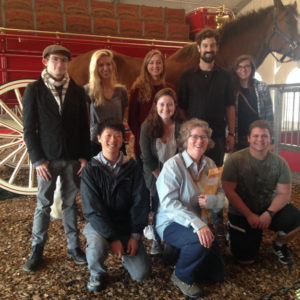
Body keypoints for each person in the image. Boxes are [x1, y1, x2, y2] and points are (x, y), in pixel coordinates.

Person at [22, 45, 90, 272]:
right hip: (47, 160)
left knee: (70, 204)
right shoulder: (34, 90)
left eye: (64, 61)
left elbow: (83, 126)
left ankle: (73, 247)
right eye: (55, 60)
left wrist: (84, 156)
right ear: (45, 62)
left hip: (71, 158)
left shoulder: (78, 91)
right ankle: (37, 249)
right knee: (43, 204)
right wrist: (37, 159)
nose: (60, 65)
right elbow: (29, 129)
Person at [156, 119, 225, 299]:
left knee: (217, 275)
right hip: (171, 222)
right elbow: (169, 204)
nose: (199, 141)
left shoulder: (210, 164)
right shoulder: (173, 165)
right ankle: (181, 276)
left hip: (199, 223)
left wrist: (212, 200)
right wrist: (197, 223)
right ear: (185, 140)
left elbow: (222, 197)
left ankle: (179, 252)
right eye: (194, 136)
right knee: (197, 242)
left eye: (203, 137)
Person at [81, 119, 151, 292]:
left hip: (126, 225)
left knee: (142, 274)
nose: (113, 140)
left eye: (118, 136)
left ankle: (126, 256)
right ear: (99, 138)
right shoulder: (91, 169)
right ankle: (97, 272)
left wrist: (135, 234)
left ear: (123, 140)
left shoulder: (132, 167)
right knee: (97, 244)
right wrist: (112, 238)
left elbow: (140, 202)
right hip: (100, 226)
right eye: (108, 135)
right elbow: (92, 209)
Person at [178, 27, 235, 236]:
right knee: (193, 176)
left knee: (214, 177)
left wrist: (232, 133)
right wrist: (189, 133)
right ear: (198, 48)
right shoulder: (186, 76)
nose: (209, 49)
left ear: (217, 48)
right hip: (193, 140)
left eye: (212, 45)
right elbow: (181, 106)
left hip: (218, 137)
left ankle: (218, 220)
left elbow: (230, 106)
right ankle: (194, 217)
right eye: (205, 45)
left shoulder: (226, 77)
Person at [222, 120, 300, 266]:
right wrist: (249, 215)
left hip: (267, 207)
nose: (260, 140)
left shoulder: (280, 163)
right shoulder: (235, 160)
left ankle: (279, 245)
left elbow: (284, 194)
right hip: (241, 212)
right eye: (256, 136)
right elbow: (229, 191)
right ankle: (232, 231)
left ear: (270, 138)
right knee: (246, 261)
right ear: (249, 138)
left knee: (296, 220)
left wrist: (269, 213)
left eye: (264, 136)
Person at [140, 88, 182, 255]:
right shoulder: (147, 127)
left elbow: (184, 153)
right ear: (155, 106)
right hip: (155, 173)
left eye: (169, 104)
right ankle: (157, 239)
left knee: (176, 204)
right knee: (157, 206)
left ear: (175, 106)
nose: (166, 108)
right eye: (162, 104)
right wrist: (161, 178)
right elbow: (147, 157)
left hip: (176, 173)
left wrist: (175, 178)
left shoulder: (181, 126)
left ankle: (174, 237)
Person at [128, 49, 175, 168]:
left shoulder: (170, 88)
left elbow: (173, 116)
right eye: (151, 63)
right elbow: (132, 118)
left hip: (165, 141)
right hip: (144, 141)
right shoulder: (137, 88)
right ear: (146, 65)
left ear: (163, 66)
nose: (155, 66)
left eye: (158, 62)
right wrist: (141, 139)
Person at [85, 49, 128, 156]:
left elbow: (122, 118)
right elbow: (86, 120)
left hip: (117, 142)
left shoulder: (121, 91)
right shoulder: (88, 90)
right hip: (96, 142)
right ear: (95, 68)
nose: (105, 68)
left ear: (112, 66)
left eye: (108, 64)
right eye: (101, 65)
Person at [232, 55, 274, 151]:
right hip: (238, 138)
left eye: (247, 66)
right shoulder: (231, 89)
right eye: (240, 67)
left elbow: (269, 115)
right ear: (235, 69)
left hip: (258, 138)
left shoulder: (262, 87)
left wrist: (271, 140)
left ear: (252, 68)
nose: (243, 69)